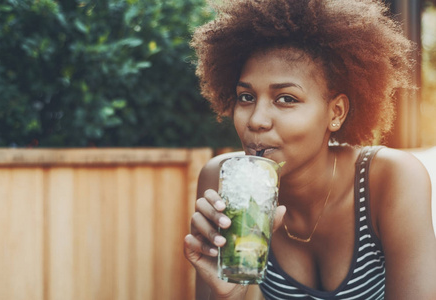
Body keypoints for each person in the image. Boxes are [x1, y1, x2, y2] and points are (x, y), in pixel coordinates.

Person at [183, 0, 436, 299]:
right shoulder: (222, 179)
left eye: (286, 99)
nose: (256, 120)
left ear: (336, 112)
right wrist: (231, 293)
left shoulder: (390, 180)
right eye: (246, 96)